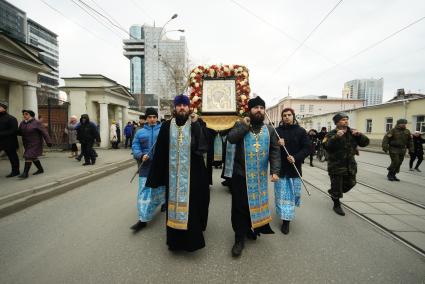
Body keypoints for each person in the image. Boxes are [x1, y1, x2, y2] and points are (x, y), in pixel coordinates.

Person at [146, 94, 210, 252]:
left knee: (192, 208)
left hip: (193, 176)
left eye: (185, 105)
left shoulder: (197, 123)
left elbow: (203, 147)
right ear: (174, 108)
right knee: (173, 208)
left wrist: (195, 124)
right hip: (173, 176)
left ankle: (192, 242)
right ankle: (174, 243)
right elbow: (160, 152)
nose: (182, 107)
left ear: (189, 108)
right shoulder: (167, 126)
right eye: (179, 105)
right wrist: (156, 177)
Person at [227, 96, 280, 257]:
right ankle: (239, 238)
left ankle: (250, 228)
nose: (259, 110)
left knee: (255, 205)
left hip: (259, 177)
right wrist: (244, 125)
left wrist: (275, 171)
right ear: (250, 110)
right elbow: (231, 138)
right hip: (240, 174)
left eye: (261, 108)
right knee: (239, 207)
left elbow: (275, 151)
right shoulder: (241, 124)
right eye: (255, 107)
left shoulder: (270, 130)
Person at [323, 113, 369, 216]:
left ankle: (334, 192)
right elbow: (326, 146)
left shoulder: (353, 132)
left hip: (350, 164)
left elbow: (365, 143)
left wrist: (360, 135)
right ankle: (336, 203)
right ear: (337, 122)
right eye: (343, 119)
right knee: (337, 186)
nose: (346, 121)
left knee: (352, 183)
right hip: (336, 165)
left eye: (347, 119)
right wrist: (336, 137)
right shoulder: (331, 134)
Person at [274, 108, 310, 234]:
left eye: (289, 115)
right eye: (284, 115)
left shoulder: (301, 131)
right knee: (282, 197)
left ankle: (287, 218)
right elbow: (271, 150)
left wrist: (296, 157)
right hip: (281, 170)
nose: (287, 117)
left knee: (291, 197)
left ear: (293, 116)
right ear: (282, 117)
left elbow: (308, 148)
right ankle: (285, 221)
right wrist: (277, 144)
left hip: (294, 170)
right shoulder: (277, 132)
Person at [130, 108, 165, 232]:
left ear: (157, 118)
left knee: (160, 190)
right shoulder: (139, 132)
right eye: (149, 117)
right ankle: (142, 219)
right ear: (146, 118)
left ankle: (163, 203)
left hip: (161, 167)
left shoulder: (163, 130)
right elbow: (135, 146)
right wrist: (140, 155)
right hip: (145, 168)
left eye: (154, 117)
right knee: (144, 193)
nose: (152, 119)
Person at [18, 110, 52, 178]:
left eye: (26, 114)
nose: (24, 115)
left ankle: (25, 173)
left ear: (31, 115)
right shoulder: (22, 123)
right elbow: (19, 132)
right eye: (24, 114)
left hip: (35, 142)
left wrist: (49, 141)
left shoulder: (37, 122)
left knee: (28, 156)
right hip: (27, 143)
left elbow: (44, 132)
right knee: (33, 157)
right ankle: (40, 169)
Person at [0, 101, 20, 177]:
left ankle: (16, 171)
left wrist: (1, 134)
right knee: (12, 156)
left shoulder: (11, 118)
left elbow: (13, 131)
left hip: (10, 142)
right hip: (1, 141)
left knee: (12, 156)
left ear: (4, 109)